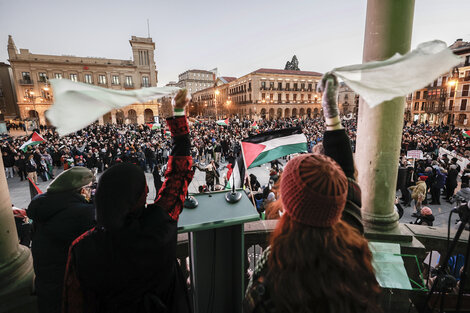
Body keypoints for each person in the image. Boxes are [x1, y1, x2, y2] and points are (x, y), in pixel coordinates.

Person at [244, 73, 380, 313]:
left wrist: (331, 115)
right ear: (340, 201)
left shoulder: (273, 264)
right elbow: (345, 171)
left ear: (290, 204)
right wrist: (332, 115)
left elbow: (250, 305)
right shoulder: (353, 246)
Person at [62, 89, 193, 313]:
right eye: (144, 188)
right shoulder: (159, 224)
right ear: (138, 198)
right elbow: (179, 174)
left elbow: (74, 304)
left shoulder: (82, 248)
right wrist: (179, 112)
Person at [26, 167, 95, 313]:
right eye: (91, 187)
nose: (92, 191)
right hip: (68, 287)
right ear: (82, 190)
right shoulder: (83, 213)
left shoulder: (44, 206)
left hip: (46, 283)